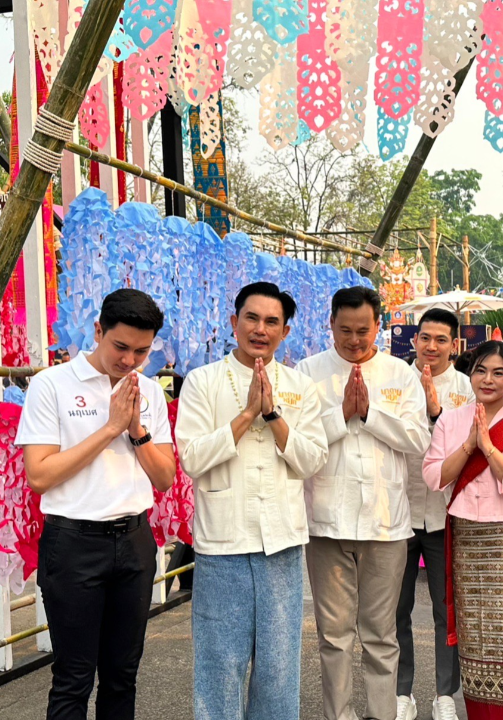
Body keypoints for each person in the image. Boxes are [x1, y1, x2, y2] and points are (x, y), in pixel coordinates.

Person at [17, 289, 177, 720]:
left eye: (141, 352)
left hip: (134, 541)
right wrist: (109, 428)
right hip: (73, 543)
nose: (129, 361)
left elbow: (164, 477)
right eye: (120, 347)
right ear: (98, 331)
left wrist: (136, 429)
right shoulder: (53, 385)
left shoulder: (149, 392)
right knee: (74, 677)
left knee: (123, 674)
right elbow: (40, 475)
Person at [176, 282, 329, 720]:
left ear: (285, 331)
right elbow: (191, 458)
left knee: (279, 669)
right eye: (251, 318)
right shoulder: (203, 382)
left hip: (281, 542)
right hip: (223, 544)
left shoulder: (299, 386)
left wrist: (273, 416)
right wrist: (245, 417)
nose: (260, 329)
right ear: (234, 322)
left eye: (271, 322)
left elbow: (312, 460)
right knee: (219, 666)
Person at [296, 287, 430, 720]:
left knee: (380, 635)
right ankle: (339, 715)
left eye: (363, 331)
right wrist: (341, 415)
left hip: (386, 524)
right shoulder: (308, 372)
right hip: (326, 523)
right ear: (330, 324)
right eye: (345, 331)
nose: (355, 341)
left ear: (379, 327)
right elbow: (298, 442)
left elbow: (418, 440)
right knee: (334, 636)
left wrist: (370, 413)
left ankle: (381, 714)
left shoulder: (399, 373)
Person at [422, 341, 503, 720]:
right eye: (480, 370)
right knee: (476, 636)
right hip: (467, 539)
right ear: (469, 372)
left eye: (498, 373)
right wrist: (468, 446)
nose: (488, 379)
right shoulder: (451, 420)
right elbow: (433, 477)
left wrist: (489, 449)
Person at [396, 308, 473, 720]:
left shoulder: (466, 387)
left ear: (454, 344)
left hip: (447, 516)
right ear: (415, 339)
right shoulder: (395, 380)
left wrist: (436, 415)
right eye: (425, 337)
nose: (432, 347)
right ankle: (400, 692)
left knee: (448, 610)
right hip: (398, 512)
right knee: (396, 608)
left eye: (441, 340)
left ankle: (445, 694)